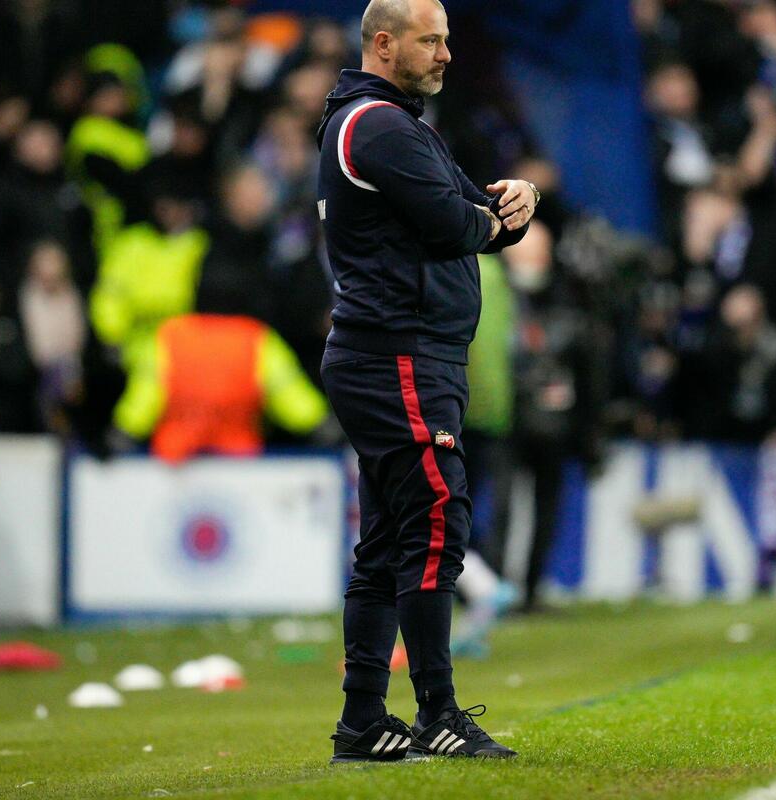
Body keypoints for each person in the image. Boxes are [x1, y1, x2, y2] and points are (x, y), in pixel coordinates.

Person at [316, 0, 536, 763]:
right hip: (399, 354)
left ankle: (363, 721)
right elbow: (458, 225)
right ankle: (437, 711)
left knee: (388, 540)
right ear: (384, 43)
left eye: (445, 39)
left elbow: (481, 214)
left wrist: (516, 205)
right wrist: (495, 220)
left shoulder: (393, 125)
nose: (446, 54)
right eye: (430, 40)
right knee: (437, 517)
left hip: (400, 353)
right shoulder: (379, 127)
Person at [111, 271, 327, 464]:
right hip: (238, 461)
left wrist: (122, 434)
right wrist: (322, 426)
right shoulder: (257, 338)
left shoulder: (169, 335)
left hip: (174, 462)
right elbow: (289, 395)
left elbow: (146, 395)